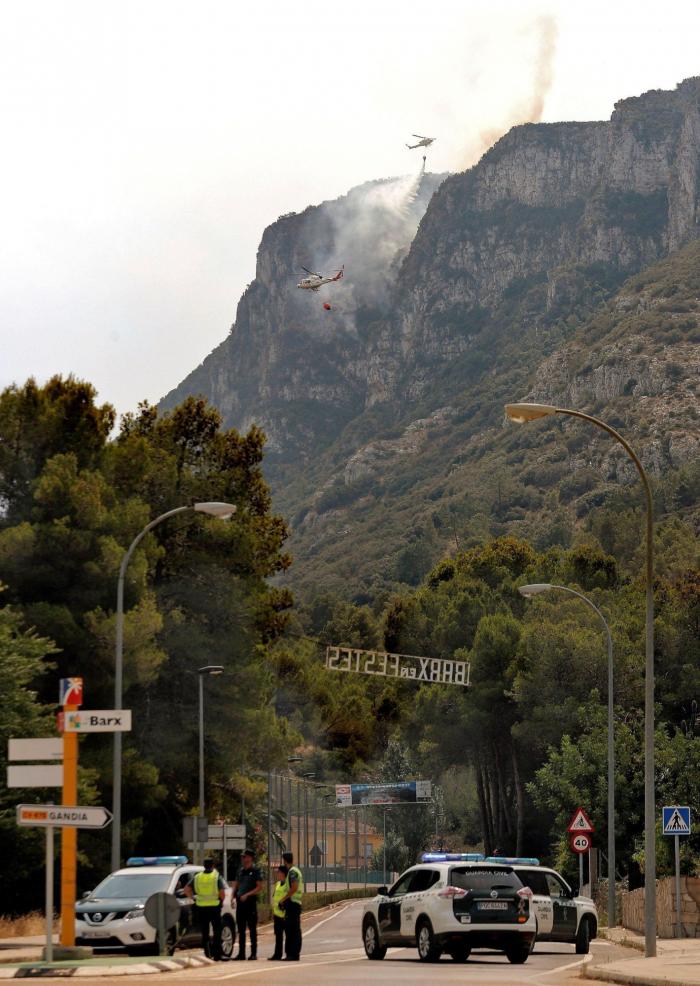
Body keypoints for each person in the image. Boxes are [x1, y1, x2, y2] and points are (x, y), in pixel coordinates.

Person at [184, 857, 226, 960]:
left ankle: (207, 954)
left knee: (205, 932)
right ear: (213, 865)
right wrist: (221, 900)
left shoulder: (197, 877)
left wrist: (193, 898)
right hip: (214, 907)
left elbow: (186, 889)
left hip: (201, 907)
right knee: (217, 931)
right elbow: (222, 893)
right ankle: (217, 955)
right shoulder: (216, 876)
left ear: (204, 866)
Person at [232, 848, 262, 960]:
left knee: (252, 929)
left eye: (245, 857)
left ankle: (253, 954)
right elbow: (236, 884)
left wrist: (247, 895)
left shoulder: (255, 871)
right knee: (241, 929)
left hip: (250, 903)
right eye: (242, 857)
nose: (243, 859)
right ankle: (241, 953)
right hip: (240, 903)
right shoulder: (240, 871)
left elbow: (259, 887)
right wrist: (232, 897)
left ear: (250, 858)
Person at [279, 851, 304, 961]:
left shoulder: (292, 872)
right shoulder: (295, 870)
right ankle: (294, 954)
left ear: (284, 860)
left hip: (292, 904)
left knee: (291, 930)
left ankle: (292, 954)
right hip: (295, 903)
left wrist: (283, 899)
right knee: (295, 930)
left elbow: (294, 887)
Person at [268, 864, 288, 960]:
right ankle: (277, 954)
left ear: (283, 873)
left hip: (285, 914)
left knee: (288, 936)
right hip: (277, 914)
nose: (277, 874)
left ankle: (288, 954)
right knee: (278, 936)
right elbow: (275, 897)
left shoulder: (287, 885)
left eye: (279, 872)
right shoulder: (278, 884)